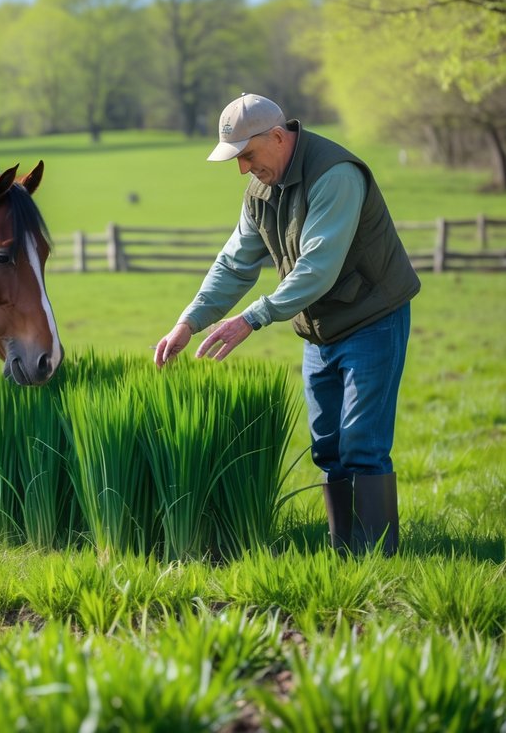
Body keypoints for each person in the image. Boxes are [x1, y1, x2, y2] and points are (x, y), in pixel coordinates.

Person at [153, 94, 420, 557]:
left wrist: (252, 319)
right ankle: (346, 554)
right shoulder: (261, 190)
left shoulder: (335, 174)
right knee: (328, 448)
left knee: (361, 445)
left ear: (278, 137)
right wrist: (188, 322)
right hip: (318, 330)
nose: (243, 169)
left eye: (248, 156)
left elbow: (318, 268)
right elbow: (235, 264)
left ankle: (377, 559)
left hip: (371, 319)